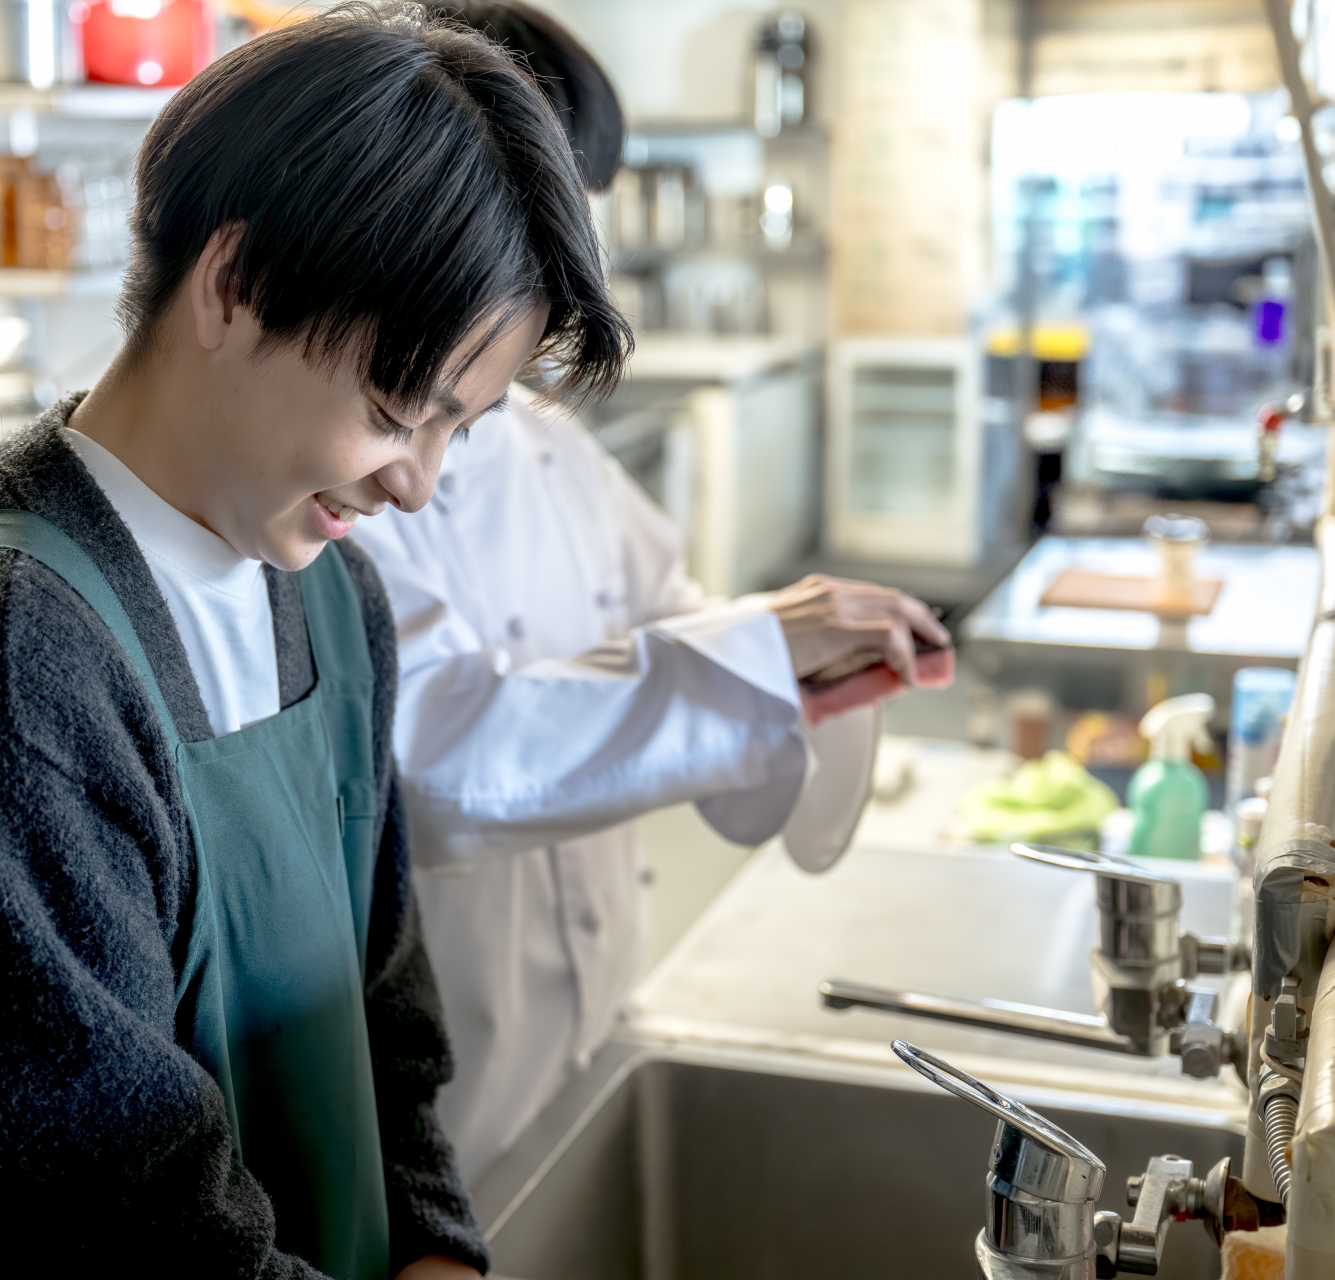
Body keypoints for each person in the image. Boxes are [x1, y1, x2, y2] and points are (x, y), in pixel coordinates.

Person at [0, 7, 628, 1277]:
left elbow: (386, 1012)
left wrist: (436, 1243)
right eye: (397, 410)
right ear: (232, 285)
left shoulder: (328, 598)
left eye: (463, 426)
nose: (418, 485)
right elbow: (107, 1224)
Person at [350, 0, 951, 1181]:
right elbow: (435, 757)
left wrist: (801, 663)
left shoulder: (545, 445)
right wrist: (749, 661)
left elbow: (668, 613)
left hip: (593, 1035)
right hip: (440, 1123)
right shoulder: (343, 474)